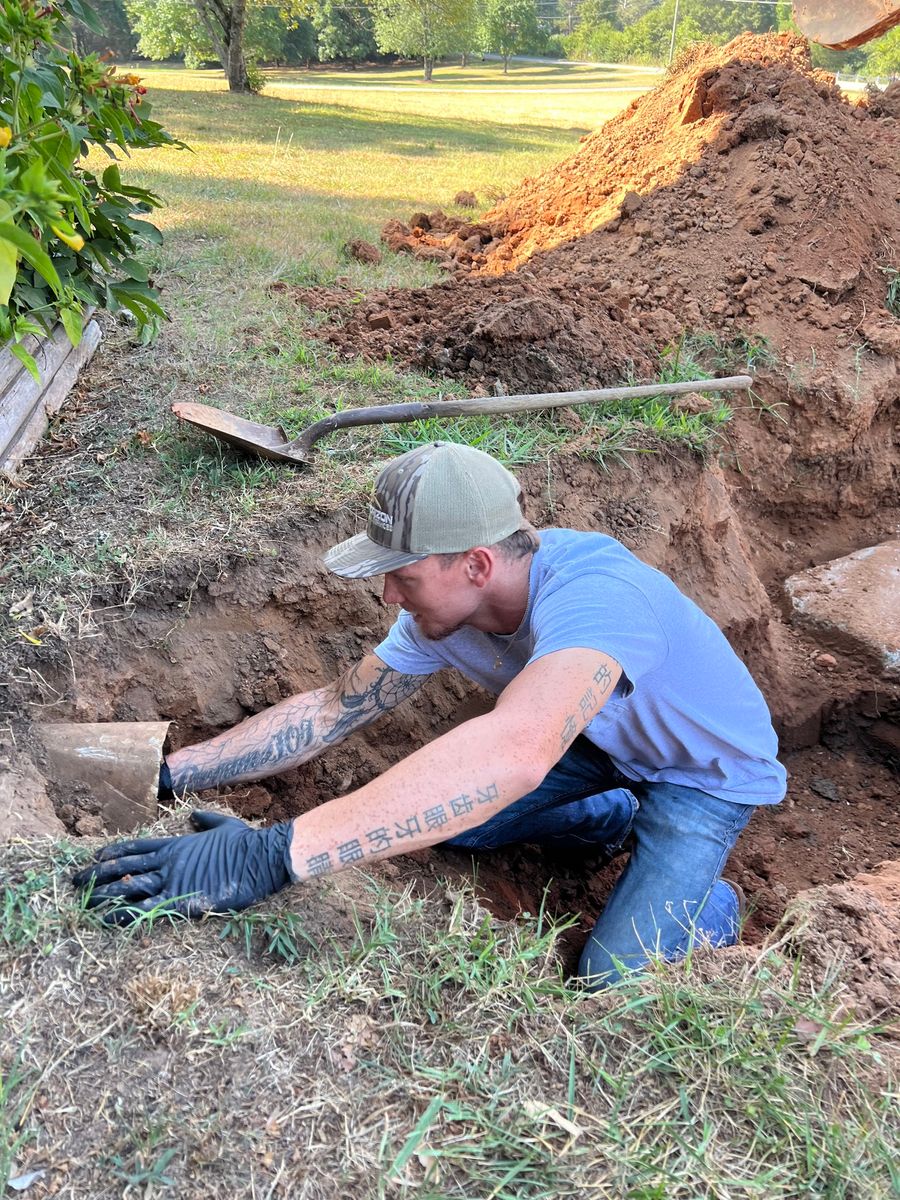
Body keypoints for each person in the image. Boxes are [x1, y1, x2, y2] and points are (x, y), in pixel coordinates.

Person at [74, 441, 787, 989]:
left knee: (610, 981)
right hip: (600, 744)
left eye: (404, 575)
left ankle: (702, 902)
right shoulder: (442, 615)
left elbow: (516, 749)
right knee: (457, 820)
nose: (388, 595)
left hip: (703, 775)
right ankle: (611, 820)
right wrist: (163, 774)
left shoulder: (598, 598)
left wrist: (273, 854)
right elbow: (330, 709)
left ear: (475, 566)